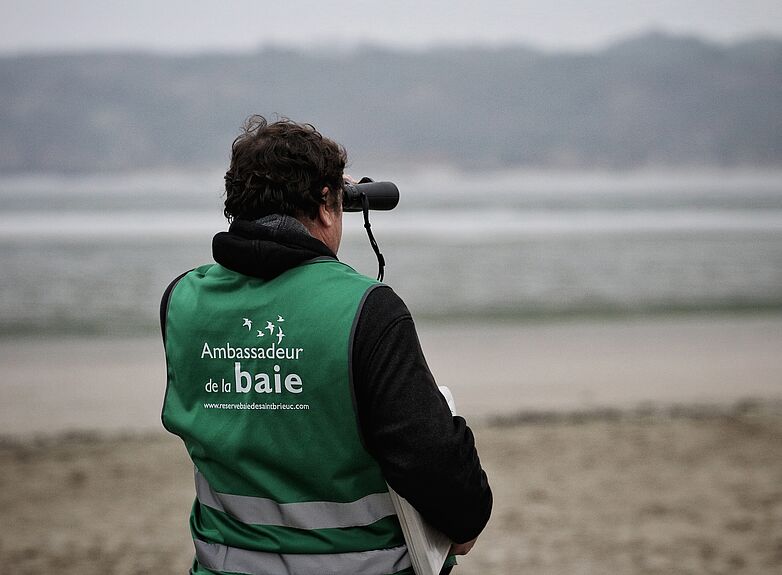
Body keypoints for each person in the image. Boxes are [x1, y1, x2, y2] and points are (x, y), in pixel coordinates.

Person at [160, 115, 492, 575]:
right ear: (324, 205)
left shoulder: (181, 302)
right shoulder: (366, 311)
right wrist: (468, 514)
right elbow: (438, 469)